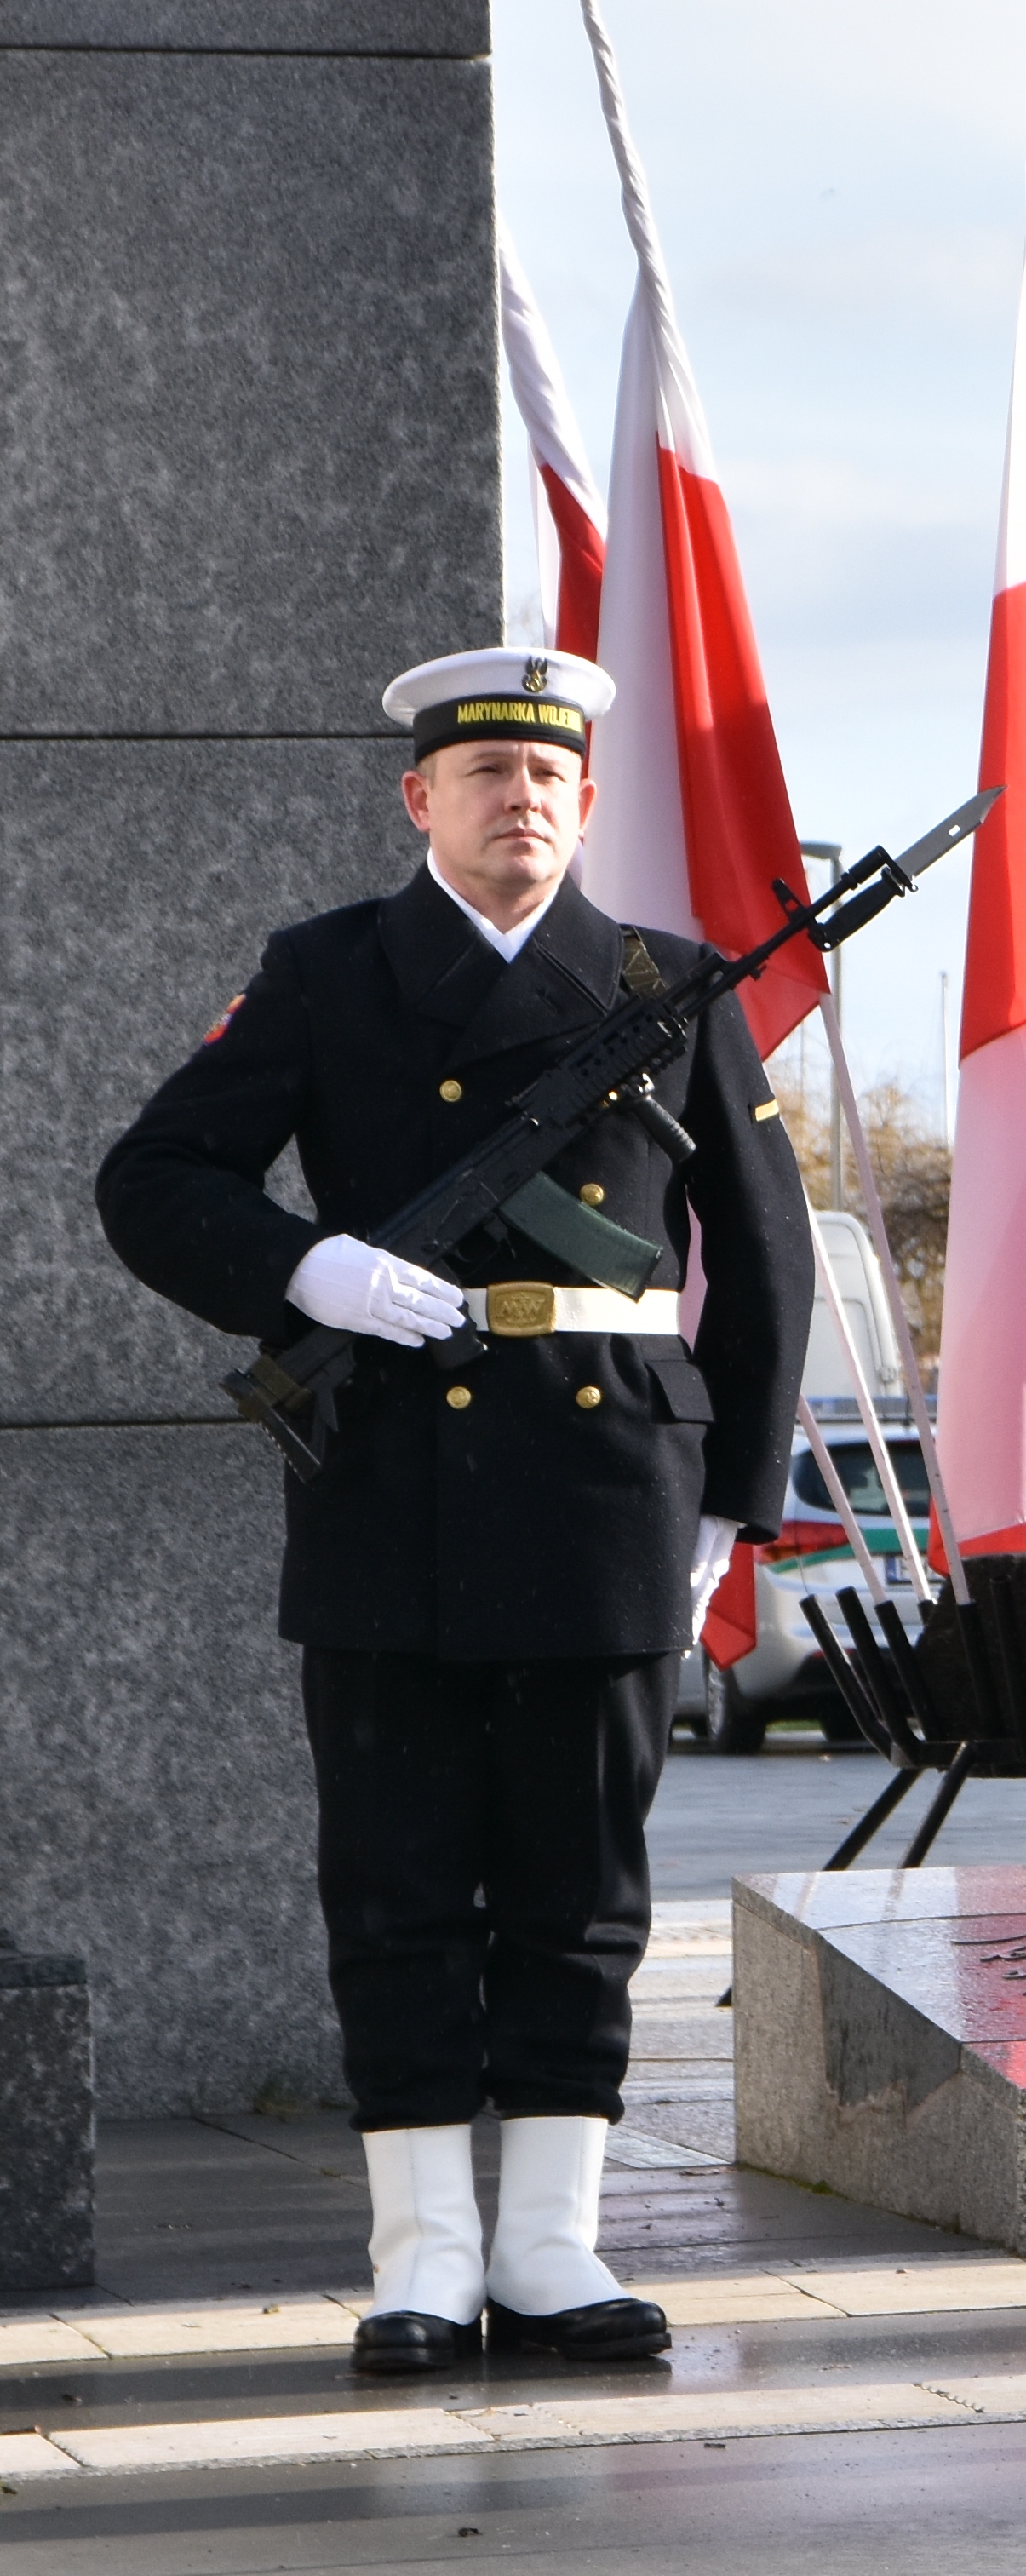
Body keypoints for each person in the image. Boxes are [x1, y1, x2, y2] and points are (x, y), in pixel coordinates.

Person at [97, 649, 813, 2370]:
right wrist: (309, 1269)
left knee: (581, 1879)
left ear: (587, 798)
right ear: (419, 798)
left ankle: (555, 2244)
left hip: (604, 1482)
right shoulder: (329, 971)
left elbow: (766, 1252)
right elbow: (154, 1176)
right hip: (392, 1478)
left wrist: (731, 1502)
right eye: (484, 771)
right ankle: (422, 2252)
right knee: (399, 1877)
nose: (522, 798)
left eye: (550, 774)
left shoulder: (665, 982)